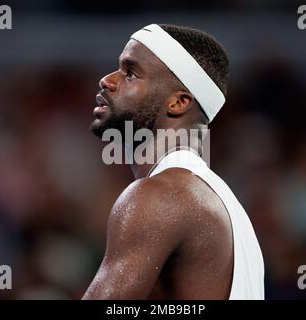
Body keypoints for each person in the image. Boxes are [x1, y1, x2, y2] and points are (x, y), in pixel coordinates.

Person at [83, 24, 264, 299]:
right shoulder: (229, 210)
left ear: (178, 102)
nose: (108, 80)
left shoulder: (160, 196)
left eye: (130, 73)